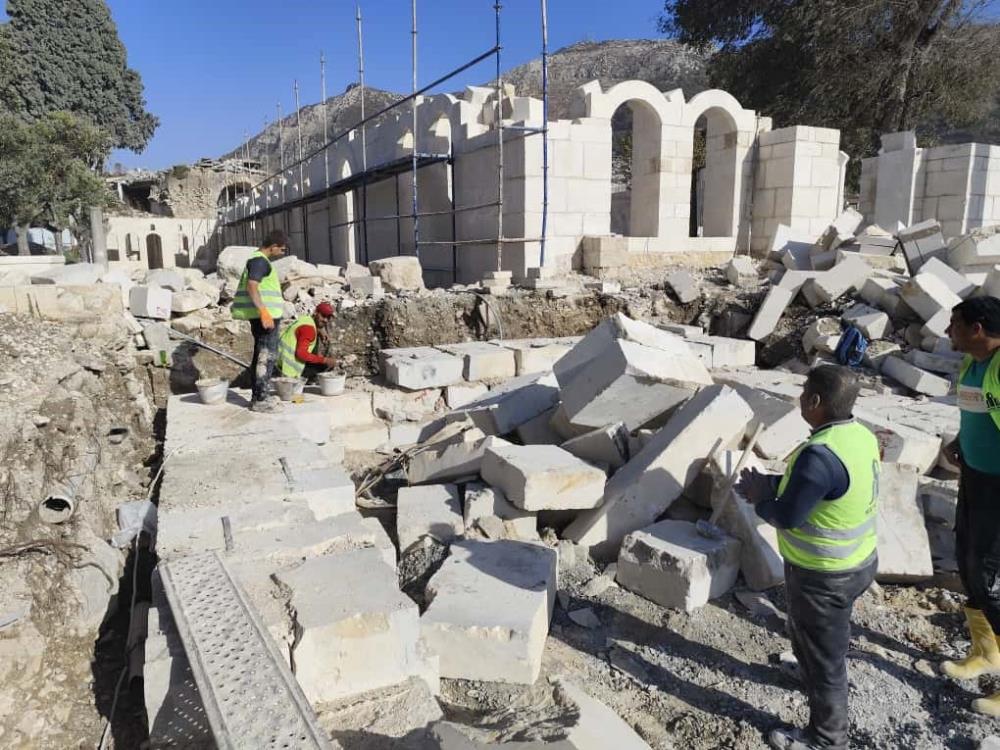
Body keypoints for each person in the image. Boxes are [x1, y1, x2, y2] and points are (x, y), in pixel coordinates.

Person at [736, 365, 880, 750]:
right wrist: (771, 484)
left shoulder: (819, 455)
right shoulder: (858, 436)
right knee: (810, 632)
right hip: (859, 562)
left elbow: (787, 516)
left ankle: (827, 739)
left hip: (825, 575)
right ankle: (806, 666)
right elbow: (827, 490)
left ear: (815, 402)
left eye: (803, 392)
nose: (799, 397)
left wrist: (759, 497)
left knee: (826, 659)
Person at [940, 297, 1000, 715]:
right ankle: (986, 652)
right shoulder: (972, 364)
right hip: (976, 479)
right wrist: (961, 443)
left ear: (977, 329)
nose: (948, 332)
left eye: (955, 325)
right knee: (968, 562)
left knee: (993, 580)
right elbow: (978, 411)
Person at [231, 230, 287, 412]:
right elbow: (252, 286)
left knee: (260, 354)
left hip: (263, 316)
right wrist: (264, 312)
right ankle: (260, 400)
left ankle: (259, 395)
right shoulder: (260, 261)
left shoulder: (258, 261)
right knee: (266, 355)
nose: (282, 253)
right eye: (282, 249)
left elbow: (259, 286)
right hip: (265, 317)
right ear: (273, 247)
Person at [276, 302, 338, 381]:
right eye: (323, 316)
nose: (325, 320)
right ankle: (308, 379)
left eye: (328, 317)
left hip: (280, 360)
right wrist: (324, 360)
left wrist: (319, 331)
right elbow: (301, 354)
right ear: (316, 312)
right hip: (290, 367)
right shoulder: (309, 329)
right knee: (326, 365)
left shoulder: (305, 319)